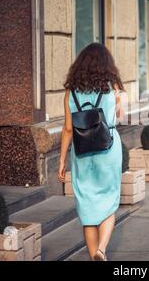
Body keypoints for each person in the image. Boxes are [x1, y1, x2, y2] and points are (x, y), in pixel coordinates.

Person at [58, 43, 124, 261]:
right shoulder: (112, 85)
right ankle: (101, 250)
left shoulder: (70, 90)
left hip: (82, 151)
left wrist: (61, 161)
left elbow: (68, 128)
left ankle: (92, 254)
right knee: (109, 201)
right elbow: (119, 116)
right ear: (107, 63)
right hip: (109, 149)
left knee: (87, 207)